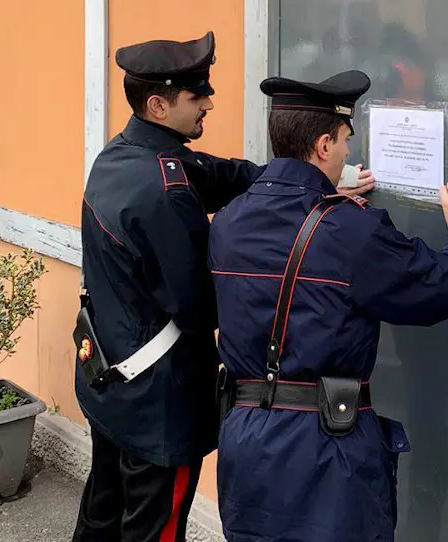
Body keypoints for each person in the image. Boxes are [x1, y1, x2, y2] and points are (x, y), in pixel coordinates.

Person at [72, 31, 373, 542]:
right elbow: (199, 305)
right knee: (153, 529)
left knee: (101, 517)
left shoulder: (128, 156)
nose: (209, 102)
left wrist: (305, 182)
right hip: (158, 404)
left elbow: (224, 174)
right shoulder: (163, 193)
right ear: (158, 104)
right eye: (196, 96)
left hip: (109, 382)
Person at [207, 69, 448, 541]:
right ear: (322, 147)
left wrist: (325, 198)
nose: (347, 153)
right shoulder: (351, 230)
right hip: (325, 448)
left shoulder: (230, 219)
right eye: (343, 141)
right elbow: (441, 287)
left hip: (246, 440)